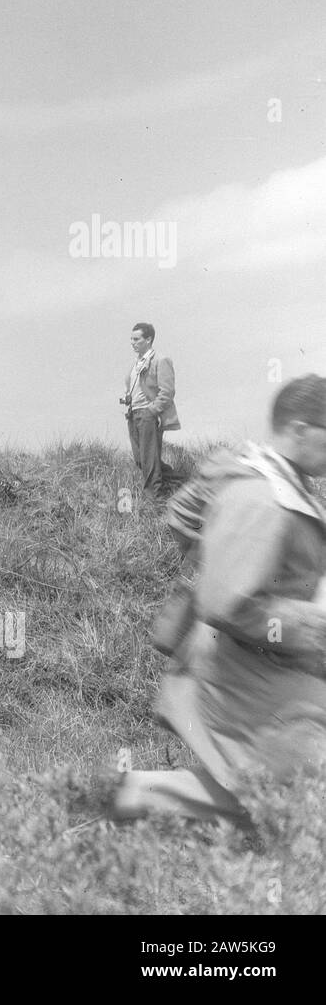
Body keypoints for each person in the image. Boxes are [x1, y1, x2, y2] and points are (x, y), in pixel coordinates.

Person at [113, 375, 326, 825]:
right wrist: (313, 625)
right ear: (302, 430)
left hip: (260, 666)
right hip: (241, 676)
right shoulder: (261, 498)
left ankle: (126, 798)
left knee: (261, 796)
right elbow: (229, 603)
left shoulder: (284, 486)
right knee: (299, 786)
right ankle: (120, 799)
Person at [119, 322, 182, 499]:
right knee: (141, 460)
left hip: (148, 414)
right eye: (131, 339)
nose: (132, 342)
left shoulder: (160, 360)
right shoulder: (135, 364)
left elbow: (167, 391)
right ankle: (183, 483)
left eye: (136, 339)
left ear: (148, 339)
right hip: (133, 414)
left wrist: (152, 411)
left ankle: (154, 498)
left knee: (149, 459)